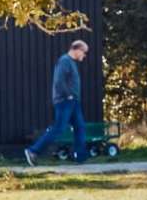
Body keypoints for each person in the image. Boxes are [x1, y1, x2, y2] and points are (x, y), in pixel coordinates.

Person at [26, 37, 97, 165]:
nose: (85, 55)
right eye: (84, 52)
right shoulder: (64, 61)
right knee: (58, 129)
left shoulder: (71, 62)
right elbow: (59, 81)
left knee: (80, 127)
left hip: (73, 102)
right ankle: (33, 151)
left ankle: (80, 157)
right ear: (77, 50)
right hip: (65, 101)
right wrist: (68, 95)